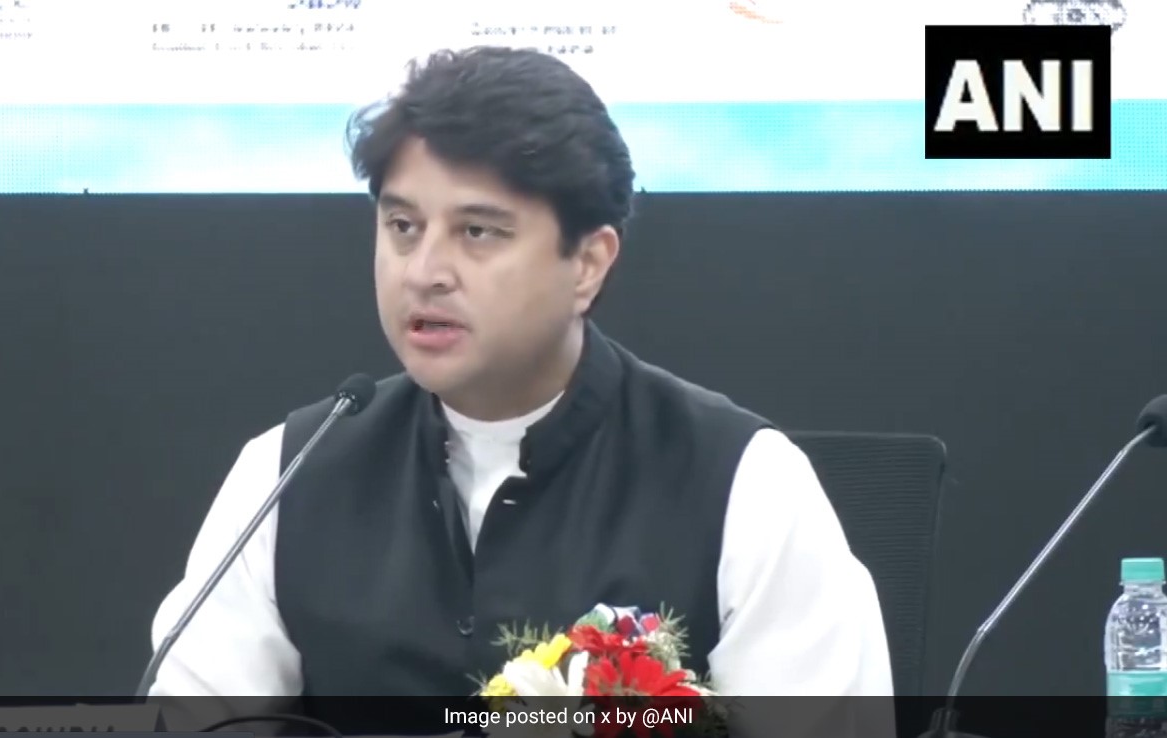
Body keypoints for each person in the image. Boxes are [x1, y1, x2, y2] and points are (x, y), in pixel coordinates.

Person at [148, 45, 893, 732]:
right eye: (403, 226)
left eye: (478, 232)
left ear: (588, 264)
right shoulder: (289, 471)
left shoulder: (744, 483)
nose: (424, 272)